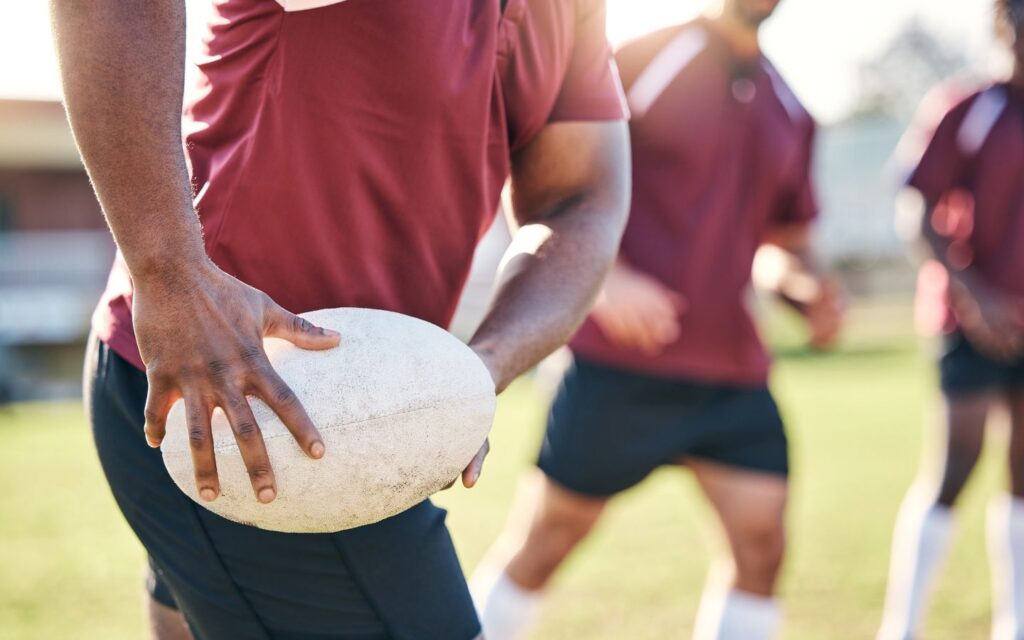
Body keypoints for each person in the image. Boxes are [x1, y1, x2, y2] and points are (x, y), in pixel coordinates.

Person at [50, 0, 630, 637]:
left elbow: (582, 196)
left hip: (363, 420)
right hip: (230, 393)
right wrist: (169, 276)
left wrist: (474, 372)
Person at [469, 1, 843, 638]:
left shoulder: (792, 108)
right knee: (545, 545)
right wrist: (604, 279)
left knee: (762, 548)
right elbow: (541, 171)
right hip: (620, 364)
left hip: (733, 372)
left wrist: (805, 286)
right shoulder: (638, 58)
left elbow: (785, 242)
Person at [878, 2, 1024, 638]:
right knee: (955, 465)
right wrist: (976, 296)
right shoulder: (969, 107)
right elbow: (916, 207)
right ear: (1003, 25)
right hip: (967, 321)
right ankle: (901, 626)